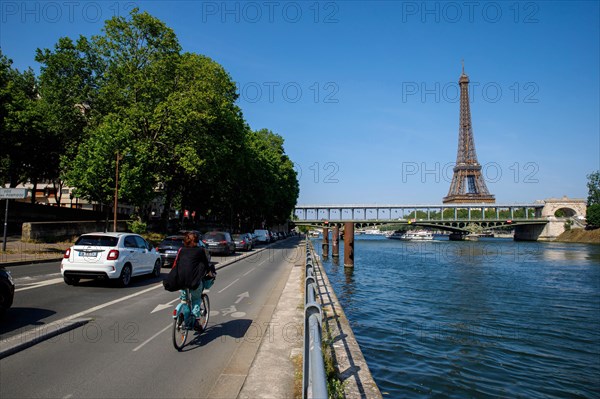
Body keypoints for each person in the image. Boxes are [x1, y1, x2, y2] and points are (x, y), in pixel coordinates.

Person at [173, 231, 209, 331]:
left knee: (184, 299)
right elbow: (206, 265)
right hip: (194, 282)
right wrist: (210, 273)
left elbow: (178, 264)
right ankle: (195, 321)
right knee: (196, 300)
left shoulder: (181, 250)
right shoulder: (200, 251)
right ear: (197, 241)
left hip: (181, 281)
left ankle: (182, 315)